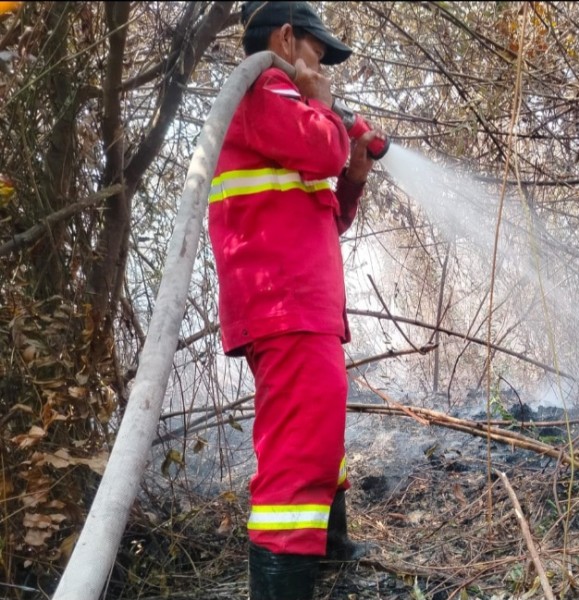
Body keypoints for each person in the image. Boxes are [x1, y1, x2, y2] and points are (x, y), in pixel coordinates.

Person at [207, 2, 385, 598]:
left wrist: (354, 174)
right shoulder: (266, 88)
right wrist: (329, 111)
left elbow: (321, 222)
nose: (323, 66)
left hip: (301, 305)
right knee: (295, 454)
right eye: (319, 52)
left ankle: (329, 553)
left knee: (318, 432)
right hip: (283, 306)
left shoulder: (281, 106)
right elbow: (320, 148)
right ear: (286, 37)